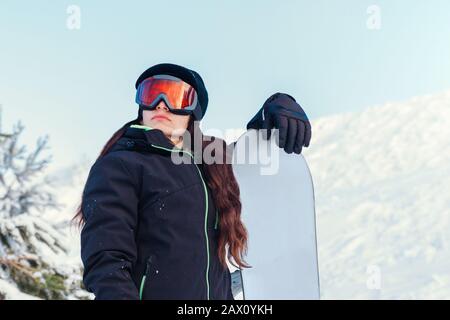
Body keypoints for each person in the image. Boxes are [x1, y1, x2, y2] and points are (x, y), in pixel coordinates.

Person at [72, 63, 312, 300]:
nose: (161, 104)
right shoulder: (122, 164)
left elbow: (248, 160)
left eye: (176, 96)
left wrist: (274, 110)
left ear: (193, 112)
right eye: (151, 93)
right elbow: (106, 259)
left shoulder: (210, 164)